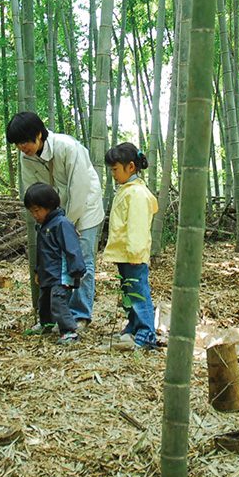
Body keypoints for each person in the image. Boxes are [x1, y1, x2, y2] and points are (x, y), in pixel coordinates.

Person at [7, 112, 104, 329]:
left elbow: (79, 188)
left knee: (81, 260)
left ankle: (79, 315)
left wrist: (65, 226)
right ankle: (56, 316)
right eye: (18, 144)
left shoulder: (68, 147)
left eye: (25, 141)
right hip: (55, 214)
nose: (22, 147)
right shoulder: (26, 158)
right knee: (55, 261)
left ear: (39, 135)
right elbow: (34, 193)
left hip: (84, 208)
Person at [102, 143, 158, 351]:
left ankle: (146, 333)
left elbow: (137, 226)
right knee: (130, 292)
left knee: (139, 292)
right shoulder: (127, 190)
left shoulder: (136, 194)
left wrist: (135, 253)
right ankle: (134, 325)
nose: (113, 174)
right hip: (124, 253)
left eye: (115, 169)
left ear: (131, 167)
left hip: (133, 254)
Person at [24, 182, 86, 345]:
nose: (34, 215)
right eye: (32, 212)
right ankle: (46, 324)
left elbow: (72, 249)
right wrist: (38, 270)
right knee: (44, 302)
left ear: (49, 205)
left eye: (37, 210)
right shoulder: (45, 226)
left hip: (62, 275)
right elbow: (43, 252)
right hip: (48, 274)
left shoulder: (62, 223)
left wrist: (77, 270)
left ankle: (69, 331)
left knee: (58, 302)